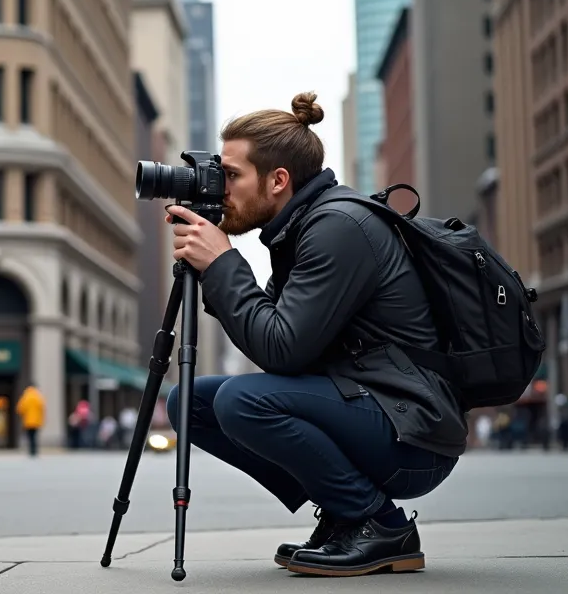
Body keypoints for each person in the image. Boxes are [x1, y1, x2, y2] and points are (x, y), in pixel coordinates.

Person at [164, 91, 468, 577]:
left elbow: (281, 352)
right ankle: (344, 510)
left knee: (241, 401)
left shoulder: (337, 227)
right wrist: (216, 271)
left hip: (413, 435)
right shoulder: (299, 229)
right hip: (373, 409)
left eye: (233, 175)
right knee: (189, 401)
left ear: (278, 180)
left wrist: (223, 264)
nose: (221, 188)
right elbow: (280, 349)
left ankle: (379, 524)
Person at [15, 383, 46, 457]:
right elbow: (42, 408)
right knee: (35, 436)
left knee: (30, 436)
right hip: (37, 420)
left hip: (28, 420)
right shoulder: (38, 396)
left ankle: (31, 450)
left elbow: (20, 408)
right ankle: (34, 450)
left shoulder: (26, 396)